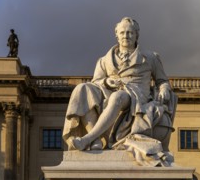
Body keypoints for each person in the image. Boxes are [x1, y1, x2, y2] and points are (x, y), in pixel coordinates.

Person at [63, 17, 176, 152]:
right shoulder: (104, 60)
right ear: (116, 35)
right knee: (82, 89)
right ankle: (96, 140)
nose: (126, 36)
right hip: (109, 90)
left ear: (136, 35)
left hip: (136, 94)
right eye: (122, 33)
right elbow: (96, 81)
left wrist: (164, 89)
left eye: (130, 32)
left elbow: (162, 80)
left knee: (118, 97)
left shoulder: (150, 57)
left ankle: (88, 139)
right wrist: (106, 81)